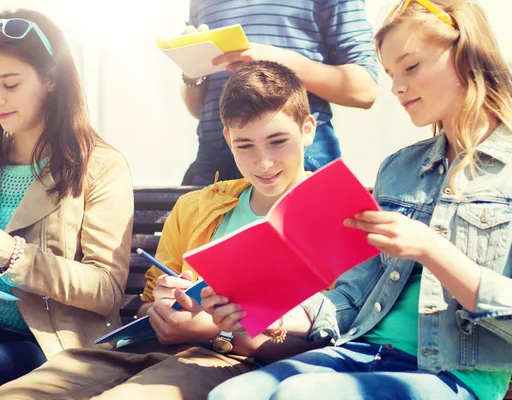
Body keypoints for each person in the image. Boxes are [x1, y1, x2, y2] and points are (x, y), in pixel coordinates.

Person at [205, 1, 512, 399]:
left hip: (454, 375)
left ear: (465, 53)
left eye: (411, 67)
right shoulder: (399, 169)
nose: (397, 87)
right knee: (230, 395)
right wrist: (265, 309)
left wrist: (432, 248)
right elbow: (350, 298)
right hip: (361, 353)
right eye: (390, 74)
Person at [0, 60, 328, 399]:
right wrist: (163, 308)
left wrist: (210, 331)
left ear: (307, 129)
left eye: (277, 142)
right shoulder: (197, 208)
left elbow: (333, 343)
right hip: (146, 350)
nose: (263, 162)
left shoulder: (335, 215)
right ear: (228, 139)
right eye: (246, 145)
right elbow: (145, 309)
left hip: (233, 362)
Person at [0, 9, 133, 384]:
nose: (0, 98)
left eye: (10, 84)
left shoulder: (100, 165)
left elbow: (106, 290)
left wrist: (15, 256)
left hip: (49, 346)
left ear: (51, 79)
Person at [180, 0, 379, 186]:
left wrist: (275, 60)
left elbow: (365, 88)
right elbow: (198, 110)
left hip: (299, 155)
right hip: (214, 159)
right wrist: (192, 73)